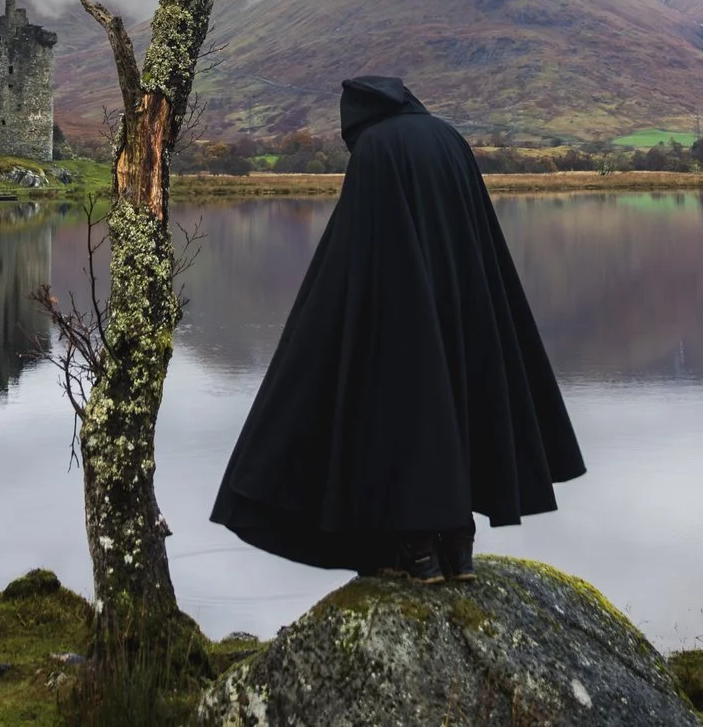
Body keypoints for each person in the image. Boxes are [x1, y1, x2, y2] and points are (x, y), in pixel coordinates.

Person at [210, 76, 584, 583]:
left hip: (396, 307)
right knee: (456, 405)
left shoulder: (377, 148)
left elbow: (360, 236)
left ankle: (418, 553)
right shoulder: (449, 137)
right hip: (465, 301)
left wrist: (328, 315)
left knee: (404, 418)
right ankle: (460, 550)